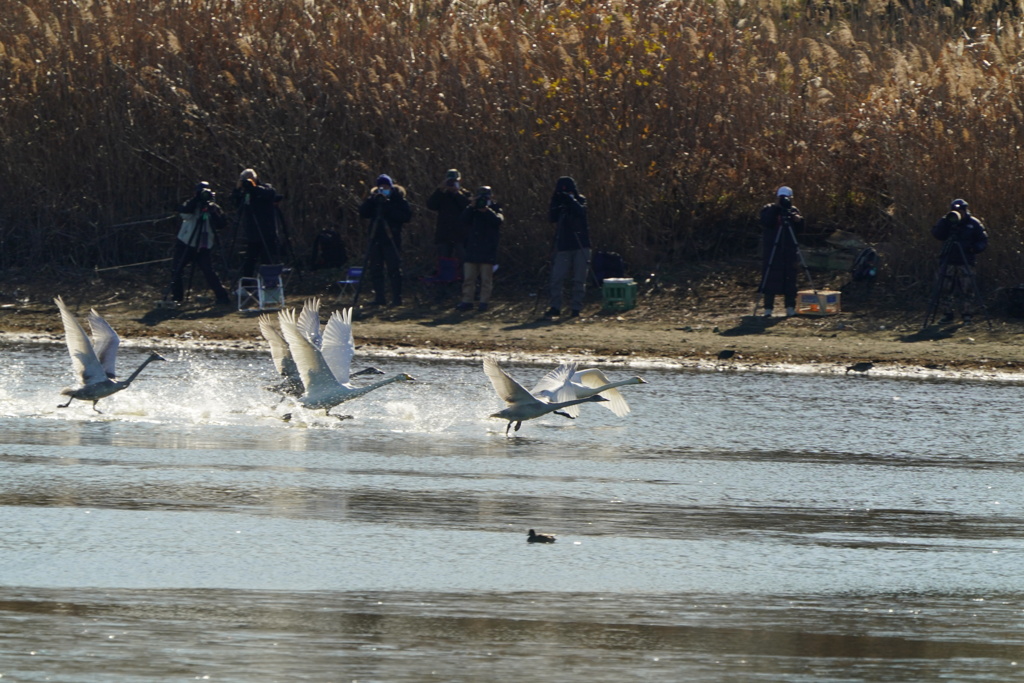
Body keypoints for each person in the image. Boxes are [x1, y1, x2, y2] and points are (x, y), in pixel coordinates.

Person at [170, 182, 231, 306]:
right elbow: (184, 213)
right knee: (176, 270)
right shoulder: (190, 204)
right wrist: (195, 200)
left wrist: (213, 211)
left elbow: (221, 224)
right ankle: (177, 298)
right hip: (186, 243)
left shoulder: (214, 207)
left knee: (208, 271)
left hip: (203, 245)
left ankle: (222, 297)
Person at [358, 174, 413, 306]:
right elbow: (363, 213)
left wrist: (389, 209)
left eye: (386, 187)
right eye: (380, 187)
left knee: (394, 269)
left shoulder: (398, 199)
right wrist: (372, 201)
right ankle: (379, 298)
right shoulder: (374, 199)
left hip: (391, 238)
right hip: (376, 238)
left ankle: (397, 298)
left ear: (391, 186)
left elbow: (406, 217)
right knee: (375, 269)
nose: (383, 189)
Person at [931, 198, 988, 324]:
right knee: (944, 288)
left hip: (966, 260)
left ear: (965, 210)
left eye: (960, 211)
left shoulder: (973, 223)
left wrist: (974, 249)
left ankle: (967, 315)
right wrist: (944, 223)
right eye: (955, 210)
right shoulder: (947, 221)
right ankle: (947, 314)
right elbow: (936, 234)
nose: (958, 213)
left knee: (967, 289)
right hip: (949, 259)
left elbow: (983, 240)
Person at [543, 176, 590, 319]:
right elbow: (552, 218)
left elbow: (581, 212)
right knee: (557, 277)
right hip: (563, 245)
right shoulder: (557, 201)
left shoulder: (580, 199)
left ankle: (576, 307)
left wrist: (570, 199)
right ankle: (555, 306)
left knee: (579, 278)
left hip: (581, 244)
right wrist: (557, 201)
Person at [758, 185, 805, 317]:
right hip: (772, 249)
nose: (785, 200)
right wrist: (776, 207)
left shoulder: (793, 210)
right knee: (770, 277)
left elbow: (800, 230)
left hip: (789, 249)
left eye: (787, 198)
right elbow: (766, 222)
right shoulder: (768, 209)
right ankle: (768, 308)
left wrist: (798, 220)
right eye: (782, 197)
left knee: (790, 278)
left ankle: (790, 307)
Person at [456, 186, 503, 312]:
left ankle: (484, 302)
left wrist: (486, 210)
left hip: (488, 249)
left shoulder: (495, 208)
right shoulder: (472, 209)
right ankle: (467, 301)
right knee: (468, 278)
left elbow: (498, 221)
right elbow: (463, 220)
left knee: (486, 279)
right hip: (472, 248)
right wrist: (472, 206)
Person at [231, 168, 283, 277]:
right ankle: (247, 285)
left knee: (268, 260)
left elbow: (270, 193)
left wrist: (253, 188)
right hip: (252, 233)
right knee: (249, 260)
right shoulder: (244, 193)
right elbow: (235, 203)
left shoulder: (265, 188)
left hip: (267, 232)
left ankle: (269, 284)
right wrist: (237, 189)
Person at [426, 168, 472, 260]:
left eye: (455, 181)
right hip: (444, 233)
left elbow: (468, 207)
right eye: (450, 181)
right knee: (444, 259)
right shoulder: (442, 195)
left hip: (461, 234)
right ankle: (446, 274)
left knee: (464, 258)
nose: (452, 183)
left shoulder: (465, 194)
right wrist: (439, 189)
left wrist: (456, 193)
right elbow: (431, 205)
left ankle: (463, 274)